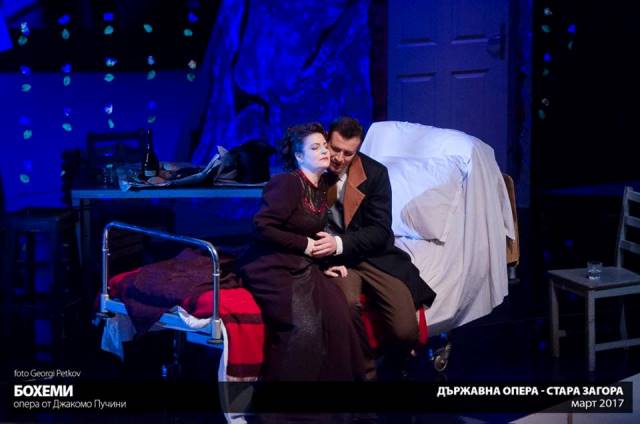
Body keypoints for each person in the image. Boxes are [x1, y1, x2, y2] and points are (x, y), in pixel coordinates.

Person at [237, 122, 365, 381]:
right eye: (315, 148)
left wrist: (327, 261)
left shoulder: (322, 187)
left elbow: (314, 232)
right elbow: (262, 226)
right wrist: (304, 245)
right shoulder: (287, 183)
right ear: (299, 156)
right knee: (304, 328)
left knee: (339, 318)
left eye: (325, 146)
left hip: (303, 265)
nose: (325, 151)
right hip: (272, 266)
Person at [312, 117, 437, 379]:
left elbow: (380, 231)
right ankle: (365, 374)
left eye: (348, 153)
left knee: (405, 331)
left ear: (357, 150)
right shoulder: (313, 170)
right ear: (327, 141)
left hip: (372, 257)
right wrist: (322, 260)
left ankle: (395, 362)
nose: (339, 158)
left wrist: (339, 244)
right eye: (335, 149)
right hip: (336, 262)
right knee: (346, 306)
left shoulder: (375, 173)